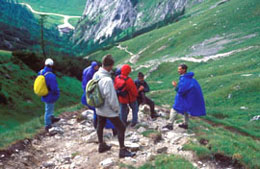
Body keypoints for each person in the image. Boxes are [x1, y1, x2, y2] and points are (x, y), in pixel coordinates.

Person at [93, 55, 135, 158]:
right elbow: (111, 98)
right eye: (112, 66)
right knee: (121, 127)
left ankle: (101, 145)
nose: (112, 68)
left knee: (100, 124)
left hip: (99, 107)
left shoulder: (96, 74)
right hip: (108, 109)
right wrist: (116, 109)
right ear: (109, 66)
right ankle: (122, 150)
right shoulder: (107, 80)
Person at [163, 64, 206, 130]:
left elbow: (181, 91)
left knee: (174, 109)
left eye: (180, 69)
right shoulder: (190, 78)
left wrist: (175, 86)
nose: (178, 71)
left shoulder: (184, 79)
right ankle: (185, 124)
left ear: (184, 70)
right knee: (186, 110)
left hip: (182, 98)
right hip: (188, 98)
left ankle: (170, 124)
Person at [81, 61, 117, 136]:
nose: (97, 68)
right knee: (107, 114)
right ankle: (114, 130)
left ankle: (97, 128)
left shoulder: (88, 71)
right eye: (96, 67)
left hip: (90, 96)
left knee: (97, 113)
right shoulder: (93, 74)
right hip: (96, 96)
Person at [38, 58, 60, 132]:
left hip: (44, 93)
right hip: (50, 95)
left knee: (49, 108)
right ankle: (47, 125)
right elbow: (54, 88)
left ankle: (52, 118)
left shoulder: (41, 72)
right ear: (52, 65)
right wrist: (57, 93)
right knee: (48, 109)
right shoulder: (51, 75)